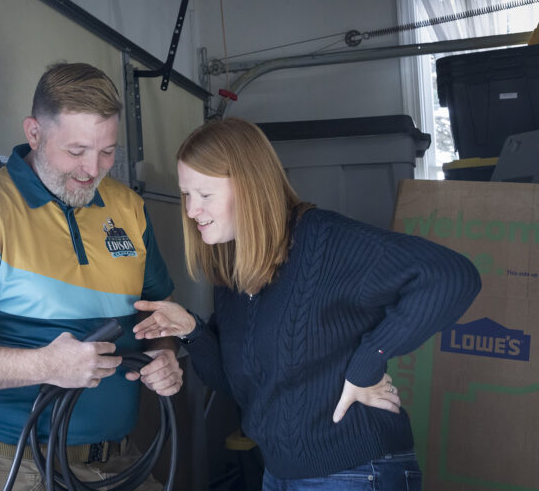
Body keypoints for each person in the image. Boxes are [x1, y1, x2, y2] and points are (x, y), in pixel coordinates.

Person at [132, 118, 481, 490]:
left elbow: (451, 276)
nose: (190, 211)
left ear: (250, 187)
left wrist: (367, 362)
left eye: (204, 195)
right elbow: (235, 385)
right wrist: (190, 330)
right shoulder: (237, 272)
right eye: (186, 195)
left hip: (356, 471)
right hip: (280, 473)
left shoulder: (327, 242)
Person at [0, 62, 182, 491]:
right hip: (17, 467)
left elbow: (159, 318)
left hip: (121, 460)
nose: (93, 168)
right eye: (76, 151)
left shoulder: (129, 209)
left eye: (108, 151)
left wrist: (165, 355)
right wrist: (45, 365)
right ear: (34, 133)